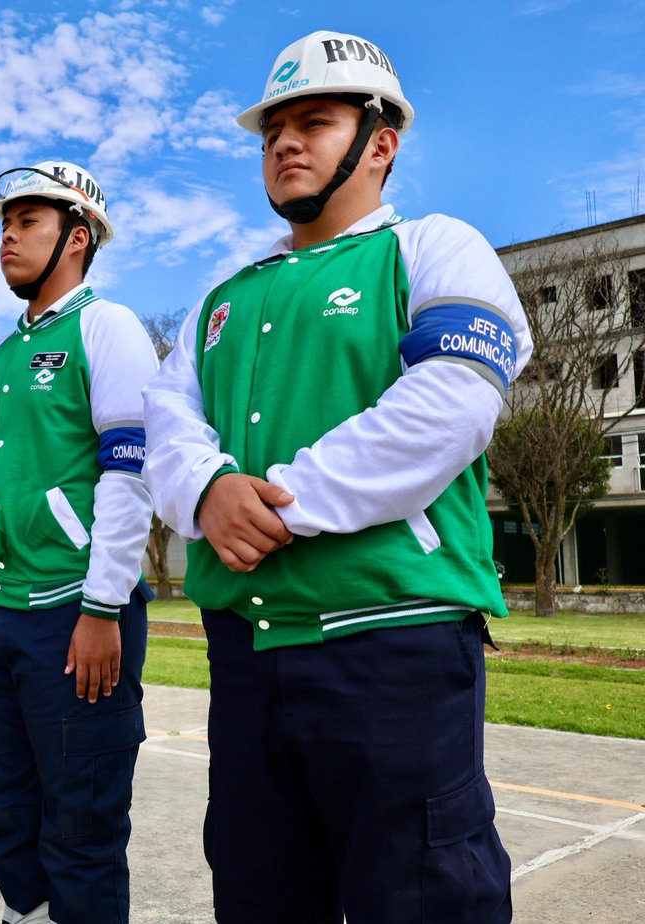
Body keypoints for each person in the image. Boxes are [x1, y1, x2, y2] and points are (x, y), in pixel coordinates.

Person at [141, 31, 531, 924]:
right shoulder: (221, 295)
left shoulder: (436, 247)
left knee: (424, 899)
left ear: (381, 141)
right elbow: (167, 420)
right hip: (246, 655)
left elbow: (453, 403)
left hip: (394, 646)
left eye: (314, 122)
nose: (284, 143)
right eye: (273, 129)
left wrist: (274, 500)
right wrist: (206, 491)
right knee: (259, 894)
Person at [0, 161, 157, 924]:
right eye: (5, 223)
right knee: (9, 811)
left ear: (78, 235)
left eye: (27, 222)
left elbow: (130, 474)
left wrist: (105, 606)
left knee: (82, 824)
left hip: (75, 613)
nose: (8, 236)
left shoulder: (107, 326)